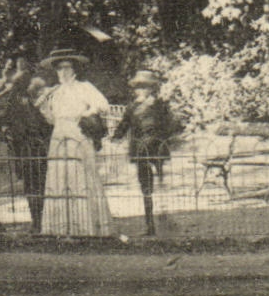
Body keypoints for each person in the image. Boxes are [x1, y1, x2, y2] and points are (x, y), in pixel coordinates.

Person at [37, 48, 113, 236]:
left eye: (67, 67)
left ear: (74, 69)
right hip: (59, 134)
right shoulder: (55, 91)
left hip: (77, 133)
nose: (63, 72)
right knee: (59, 177)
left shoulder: (84, 87)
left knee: (79, 175)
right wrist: (44, 108)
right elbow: (51, 119)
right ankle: (62, 227)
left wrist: (86, 114)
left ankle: (85, 226)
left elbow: (103, 105)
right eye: (59, 68)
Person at [0, 66, 52, 233]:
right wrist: (3, 132)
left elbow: (33, 127)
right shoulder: (1, 110)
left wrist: (9, 131)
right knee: (30, 187)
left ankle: (39, 223)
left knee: (36, 187)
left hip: (33, 150)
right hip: (21, 152)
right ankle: (38, 222)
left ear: (5, 95)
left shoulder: (20, 105)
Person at [112, 69, 178, 236]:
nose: (141, 90)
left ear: (152, 88)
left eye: (145, 87)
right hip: (140, 150)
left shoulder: (160, 105)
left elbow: (170, 125)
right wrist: (115, 137)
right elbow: (124, 124)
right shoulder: (132, 107)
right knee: (146, 187)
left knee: (161, 184)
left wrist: (163, 138)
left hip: (157, 148)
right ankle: (150, 225)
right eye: (138, 87)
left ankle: (165, 219)